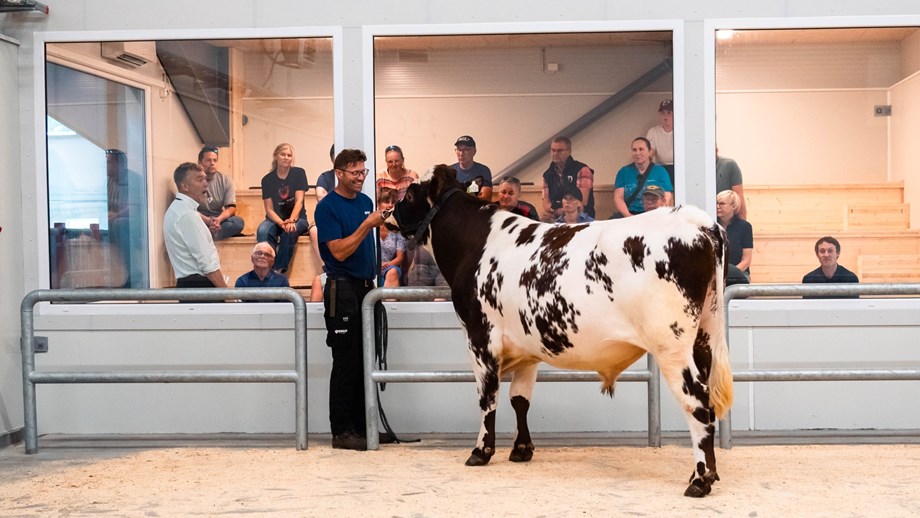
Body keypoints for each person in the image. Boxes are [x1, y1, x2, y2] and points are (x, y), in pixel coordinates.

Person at [314, 148, 389, 451]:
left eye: (364, 172)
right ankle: (342, 431)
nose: (361, 178)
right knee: (346, 361)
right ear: (339, 173)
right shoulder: (327, 208)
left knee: (365, 359)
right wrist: (366, 226)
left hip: (365, 288)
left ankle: (364, 427)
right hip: (342, 290)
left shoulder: (366, 203)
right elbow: (339, 252)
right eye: (355, 172)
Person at [163, 162, 228, 288]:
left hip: (192, 285)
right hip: (199, 287)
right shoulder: (187, 215)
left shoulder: (180, 210)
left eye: (205, 179)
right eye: (200, 180)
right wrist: (228, 296)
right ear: (185, 186)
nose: (205, 183)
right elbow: (208, 265)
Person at [257, 143, 310, 274]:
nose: (286, 157)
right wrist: (281, 223)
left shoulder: (299, 173)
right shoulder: (267, 180)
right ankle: (266, 265)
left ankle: (277, 271)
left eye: (289, 155)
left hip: (298, 218)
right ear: (276, 156)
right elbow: (269, 209)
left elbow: (299, 202)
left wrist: (291, 221)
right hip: (275, 219)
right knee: (262, 230)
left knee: (290, 231)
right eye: (283, 154)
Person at [105, 148, 148, 288]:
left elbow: (134, 207)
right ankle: (107, 275)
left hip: (136, 221)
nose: (105, 166)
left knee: (120, 224)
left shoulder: (133, 179)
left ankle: (133, 273)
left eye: (108, 163)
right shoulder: (109, 181)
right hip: (114, 219)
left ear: (120, 164)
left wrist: (116, 215)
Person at [613, 137, 673, 218]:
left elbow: (667, 197)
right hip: (629, 214)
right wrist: (628, 215)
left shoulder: (661, 171)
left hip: (653, 214)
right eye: (634, 150)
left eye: (641, 149)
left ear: (649, 152)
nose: (637, 153)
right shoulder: (623, 172)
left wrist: (658, 215)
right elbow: (618, 197)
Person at [540, 136, 595, 222]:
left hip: (581, 217)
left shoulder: (582, 170)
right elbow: (546, 205)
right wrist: (560, 211)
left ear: (569, 151)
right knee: (543, 219)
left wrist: (562, 210)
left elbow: (583, 202)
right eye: (553, 150)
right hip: (557, 217)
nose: (555, 154)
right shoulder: (547, 175)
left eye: (559, 150)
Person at [196, 145, 245, 240]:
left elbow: (231, 208)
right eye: (208, 160)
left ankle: (211, 235)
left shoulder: (225, 180)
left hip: (218, 221)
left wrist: (218, 220)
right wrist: (208, 221)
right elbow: (190, 209)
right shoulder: (193, 181)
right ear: (199, 163)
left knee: (238, 222)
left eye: (215, 160)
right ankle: (212, 234)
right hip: (200, 219)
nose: (212, 163)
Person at [716, 190, 753, 279]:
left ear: (733, 206)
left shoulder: (745, 227)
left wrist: (730, 274)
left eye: (722, 204)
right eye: (716, 203)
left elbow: (746, 260)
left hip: (739, 274)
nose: (717, 206)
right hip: (716, 276)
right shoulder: (712, 226)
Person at [377, 187, 406, 287]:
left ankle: (389, 302)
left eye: (393, 202)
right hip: (370, 267)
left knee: (392, 272)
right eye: (386, 201)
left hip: (390, 268)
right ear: (379, 204)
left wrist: (386, 265)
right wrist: (377, 264)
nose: (390, 205)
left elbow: (400, 258)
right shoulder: (370, 226)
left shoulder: (397, 229)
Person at [451, 135, 493, 200]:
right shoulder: (450, 171)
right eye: (459, 149)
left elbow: (485, 198)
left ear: (474, 151)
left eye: (466, 149)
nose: (461, 154)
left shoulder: (483, 170)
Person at [647, 98, 675, 187]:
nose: (665, 116)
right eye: (663, 113)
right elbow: (651, 151)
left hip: (679, 167)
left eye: (669, 113)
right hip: (660, 167)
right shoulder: (653, 131)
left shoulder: (682, 131)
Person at [716, 146, 747, 220]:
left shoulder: (729, 165)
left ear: (716, 150)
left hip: (727, 220)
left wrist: (743, 225)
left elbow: (739, 198)